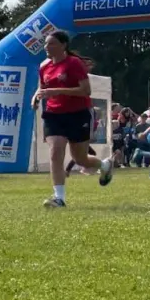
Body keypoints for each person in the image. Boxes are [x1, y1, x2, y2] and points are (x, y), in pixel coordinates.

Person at [35, 31, 113, 207]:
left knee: (80, 159)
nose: (47, 47)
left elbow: (86, 91)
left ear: (63, 45)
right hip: (53, 114)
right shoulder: (44, 67)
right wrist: (36, 97)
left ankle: (105, 165)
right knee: (55, 152)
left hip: (77, 114)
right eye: (46, 44)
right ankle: (59, 197)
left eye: (52, 43)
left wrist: (57, 91)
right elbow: (42, 88)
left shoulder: (74, 63)